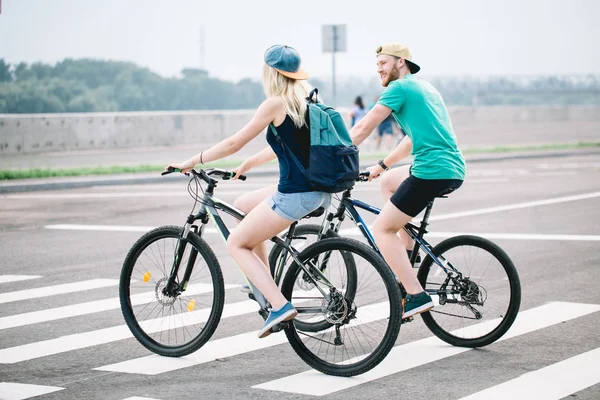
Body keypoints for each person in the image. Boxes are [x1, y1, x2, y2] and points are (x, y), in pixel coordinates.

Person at [166, 44, 331, 338]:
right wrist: (251, 163)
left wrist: (192, 161)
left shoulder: (275, 103)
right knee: (242, 205)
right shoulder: (307, 101)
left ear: (270, 73)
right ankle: (263, 283)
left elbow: (233, 143)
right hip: (316, 189)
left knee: (236, 244)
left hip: (295, 194)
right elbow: (290, 143)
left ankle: (279, 307)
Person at [349, 43, 466, 319]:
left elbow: (365, 126)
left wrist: (331, 155)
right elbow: (411, 138)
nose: (379, 68)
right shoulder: (425, 88)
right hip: (452, 167)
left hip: (430, 170)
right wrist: (381, 165)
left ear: (401, 62)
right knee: (387, 183)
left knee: (382, 230)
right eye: (377, 64)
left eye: (384, 63)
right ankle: (408, 253)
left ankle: (416, 295)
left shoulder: (398, 89)